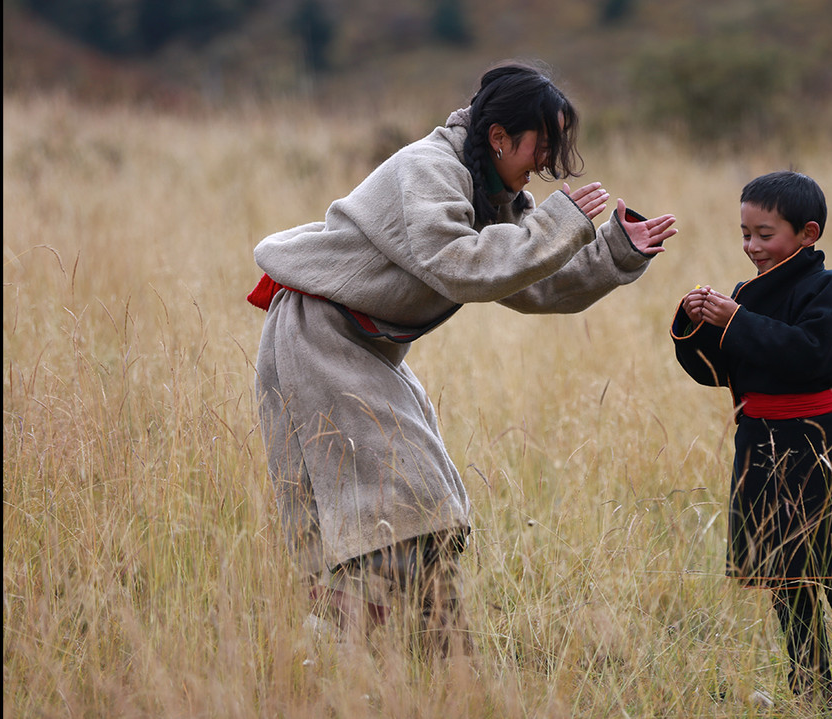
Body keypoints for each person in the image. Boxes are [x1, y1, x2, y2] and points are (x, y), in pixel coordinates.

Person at [248, 61, 677, 657]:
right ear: (499, 136)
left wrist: (615, 251)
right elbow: (463, 263)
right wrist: (560, 222)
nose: (546, 163)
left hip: (366, 347)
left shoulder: (493, 190)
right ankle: (343, 658)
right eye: (541, 145)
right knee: (406, 508)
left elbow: (532, 281)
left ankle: (440, 666)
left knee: (429, 510)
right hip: (319, 337)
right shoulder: (428, 170)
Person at [671, 171, 832, 708]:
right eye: (744, 234)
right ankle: (811, 694)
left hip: (830, 449)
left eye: (765, 234)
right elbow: (719, 370)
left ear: (808, 233)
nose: (751, 247)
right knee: (787, 583)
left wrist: (736, 319)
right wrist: (695, 326)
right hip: (762, 447)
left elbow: (812, 355)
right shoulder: (745, 296)